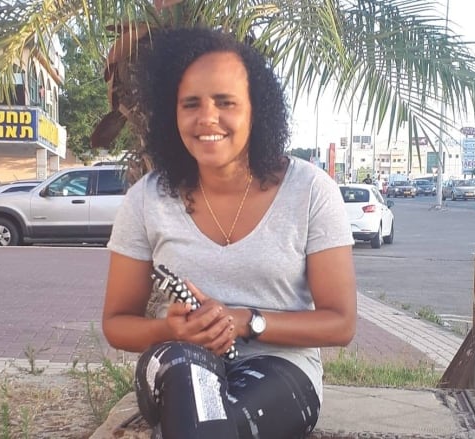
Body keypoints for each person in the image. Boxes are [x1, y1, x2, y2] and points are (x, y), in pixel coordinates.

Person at [102, 27, 356, 439]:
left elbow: (340, 324)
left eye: (225, 102)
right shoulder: (146, 200)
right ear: (173, 113)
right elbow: (117, 323)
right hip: (176, 360)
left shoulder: (309, 191)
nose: (207, 118)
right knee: (189, 384)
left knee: (218, 424)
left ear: (256, 110)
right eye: (190, 104)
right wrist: (173, 330)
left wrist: (244, 321)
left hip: (281, 367)